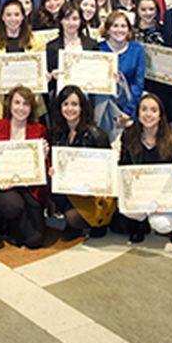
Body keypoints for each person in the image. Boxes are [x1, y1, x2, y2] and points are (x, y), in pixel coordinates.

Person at [0, 85, 48, 247]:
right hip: (5, 186)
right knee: (12, 206)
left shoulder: (39, 130)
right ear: (9, 104)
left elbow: (44, 168)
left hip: (28, 187)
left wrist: (44, 156)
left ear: (31, 107)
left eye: (25, 104)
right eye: (17, 103)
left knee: (35, 241)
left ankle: (16, 226)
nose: (21, 108)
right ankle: (7, 223)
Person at [117, 92, 172, 244]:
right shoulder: (128, 136)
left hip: (165, 196)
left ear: (161, 115)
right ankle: (140, 223)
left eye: (154, 110)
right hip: (140, 193)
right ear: (138, 113)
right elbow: (124, 167)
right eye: (144, 109)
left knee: (161, 224)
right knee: (126, 209)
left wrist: (167, 202)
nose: (148, 114)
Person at [48, 85, 114, 239]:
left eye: (74, 104)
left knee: (73, 218)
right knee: (51, 182)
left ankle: (96, 222)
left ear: (82, 107)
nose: (70, 109)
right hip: (71, 190)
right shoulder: (58, 133)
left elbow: (107, 171)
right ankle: (75, 220)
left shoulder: (96, 135)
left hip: (92, 194)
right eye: (66, 104)